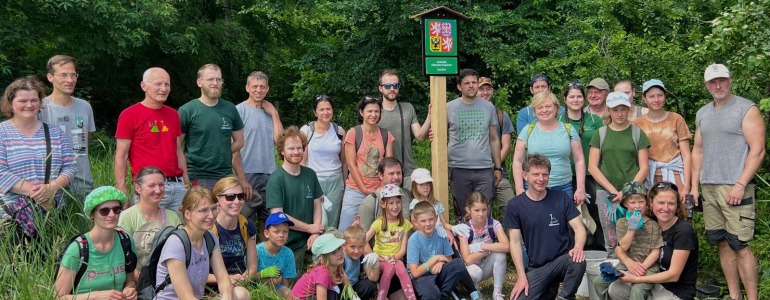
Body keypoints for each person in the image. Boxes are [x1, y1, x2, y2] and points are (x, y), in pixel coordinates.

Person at [691, 64, 765, 300]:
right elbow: (697, 151)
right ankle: (735, 296)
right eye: (713, 82)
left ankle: (752, 298)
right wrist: (694, 186)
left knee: (740, 244)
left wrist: (741, 183)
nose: (718, 85)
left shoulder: (746, 108)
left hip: (735, 187)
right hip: (709, 187)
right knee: (721, 242)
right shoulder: (702, 113)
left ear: (730, 80)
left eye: (722, 80)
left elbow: (758, 150)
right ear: (706, 85)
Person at [504, 153, 587, 300]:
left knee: (577, 259)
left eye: (545, 174)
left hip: (562, 262)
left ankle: (565, 297)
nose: (541, 179)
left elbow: (579, 228)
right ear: (525, 175)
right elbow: (515, 243)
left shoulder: (561, 198)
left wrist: (578, 246)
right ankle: (549, 290)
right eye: (536, 174)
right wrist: (521, 277)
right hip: (537, 268)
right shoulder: (515, 205)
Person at [0, 76, 75, 228]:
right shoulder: (2, 133)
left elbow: (70, 167)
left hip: (53, 212)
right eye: (22, 101)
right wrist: (36, 193)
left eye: (34, 100)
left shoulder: (55, 133)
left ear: (40, 102)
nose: (29, 105)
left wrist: (51, 188)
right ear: (10, 103)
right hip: (14, 216)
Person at [154, 185, 247, 300]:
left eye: (213, 208)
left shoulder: (210, 238)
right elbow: (186, 297)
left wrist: (226, 297)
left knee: (241, 294)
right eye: (203, 210)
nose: (211, 215)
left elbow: (223, 278)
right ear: (187, 214)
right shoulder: (176, 243)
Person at [115, 67, 189, 212]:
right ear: (144, 86)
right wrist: (121, 190)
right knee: (149, 231)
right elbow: (121, 156)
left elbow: (178, 150)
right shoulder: (129, 115)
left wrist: (186, 182)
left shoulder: (173, 114)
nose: (163, 88)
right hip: (149, 187)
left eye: (167, 84)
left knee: (178, 230)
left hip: (177, 186)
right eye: (158, 84)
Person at [588, 91, 650, 255]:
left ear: (628, 109)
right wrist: (613, 190)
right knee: (611, 237)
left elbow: (644, 167)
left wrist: (626, 190)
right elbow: (592, 167)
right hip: (606, 194)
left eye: (623, 109)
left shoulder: (637, 133)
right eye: (615, 110)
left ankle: (637, 270)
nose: (620, 114)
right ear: (608, 110)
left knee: (634, 231)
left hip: (633, 194)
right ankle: (612, 273)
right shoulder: (600, 134)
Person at [613, 182, 699, 300]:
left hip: (675, 291)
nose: (666, 208)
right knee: (615, 289)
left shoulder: (683, 231)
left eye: (671, 203)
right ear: (651, 204)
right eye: (661, 203)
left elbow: (674, 275)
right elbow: (619, 248)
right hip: (652, 280)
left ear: (677, 205)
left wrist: (636, 279)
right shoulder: (649, 221)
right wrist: (629, 262)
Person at [55, 186, 137, 299]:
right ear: (92, 214)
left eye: (116, 209)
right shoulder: (78, 249)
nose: (112, 214)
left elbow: (130, 280)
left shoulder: (126, 241)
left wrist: (129, 289)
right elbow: (58, 296)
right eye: (104, 211)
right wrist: (94, 296)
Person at [267, 126, 325, 274]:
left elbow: (317, 203)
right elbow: (278, 215)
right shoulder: (276, 179)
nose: (296, 152)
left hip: (311, 236)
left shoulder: (310, 174)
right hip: (289, 241)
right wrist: (308, 228)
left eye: (299, 148)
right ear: (282, 151)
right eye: (291, 148)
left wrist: (315, 231)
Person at [512, 91, 587, 206]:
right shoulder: (527, 130)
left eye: (548, 106)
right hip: (533, 188)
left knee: (564, 222)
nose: (544, 110)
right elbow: (517, 161)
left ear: (556, 108)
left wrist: (580, 188)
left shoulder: (568, 129)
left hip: (563, 187)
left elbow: (579, 159)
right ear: (535, 111)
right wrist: (519, 188)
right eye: (540, 107)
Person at [446, 68, 502, 220]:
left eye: (474, 82)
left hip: (484, 168)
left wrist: (497, 167)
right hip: (458, 168)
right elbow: (439, 138)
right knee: (463, 213)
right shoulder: (449, 107)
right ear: (459, 87)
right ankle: (464, 244)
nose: (471, 86)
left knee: (483, 213)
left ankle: (484, 243)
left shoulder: (488, 107)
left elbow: (494, 139)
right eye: (467, 83)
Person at [179, 64, 245, 190]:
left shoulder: (230, 109)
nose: (215, 83)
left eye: (218, 79)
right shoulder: (187, 110)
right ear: (199, 82)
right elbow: (176, 146)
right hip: (196, 176)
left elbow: (240, 141)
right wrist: (185, 178)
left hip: (225, 176)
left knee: (228, 209)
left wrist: (220, 153)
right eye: (210, 79)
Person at [593, 182, 663, 300]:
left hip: (648, 267)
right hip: (626, 265)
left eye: (641, 202)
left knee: (637, 291)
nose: (637, 206)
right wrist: (631, 229)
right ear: (625, 203)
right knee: (598, 281)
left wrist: (641, 268)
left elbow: (655, 252)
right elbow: (623, 247)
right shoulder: (621, 223)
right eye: (632, 202)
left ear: (647, 203)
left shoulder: (653, 225)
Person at [557, 82, 605, 249]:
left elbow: (603, 145)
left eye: (579, 96)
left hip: (592, 174)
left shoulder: (595, 120)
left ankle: (599, 250)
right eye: (572, 96)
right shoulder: (558, 120)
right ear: (565, 99)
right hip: (566, 175)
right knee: (569, 216)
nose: (575, 100)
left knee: (596, 213)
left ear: (584, 99)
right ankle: (571, 251)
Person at [40, 55, 95, 197]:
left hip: (83, 184)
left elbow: (87, 140)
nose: (70, 80)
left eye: (73, 75)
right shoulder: (40, 108)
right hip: (51, 186)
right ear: (50, 77)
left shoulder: (85, 107)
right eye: (63, 75)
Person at [233, 71, 283, 226]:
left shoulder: (270, 112)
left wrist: (275, 114)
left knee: (268, 221)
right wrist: (241, 179)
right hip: (247, 173)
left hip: (270, 173)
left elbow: (281, 142)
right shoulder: (238, 111)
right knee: (244, 221)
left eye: (262, 87)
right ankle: (246, 251)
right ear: (247, 88)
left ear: (267, 89)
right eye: (254, 86)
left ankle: (264, 251)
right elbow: (233, 149)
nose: (258, 90)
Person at [337, 96, 394, 232]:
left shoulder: (386, 135)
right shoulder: (354, 133)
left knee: (375, 230)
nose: (373, 115)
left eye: (376, 111)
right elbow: (351, 164)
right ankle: (343, 254)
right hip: (355, 189)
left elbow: (389, 165)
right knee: (345, 230)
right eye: (369, 111)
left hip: (379, 190)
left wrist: (381, 188)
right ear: (362, 113)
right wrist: (363, 188)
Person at [632, 79, 691, 197]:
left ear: (665, 96)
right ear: (644, 98)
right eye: (652, 96)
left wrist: (687, 186)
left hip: (675, 174)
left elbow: (686, 155)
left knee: (676, 211)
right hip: (649, 177)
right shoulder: (637, 124)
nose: (656, 100)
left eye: (660, 95)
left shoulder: (676, 119)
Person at [118, 166, 182, 269]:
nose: (158, 190)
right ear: (138, 188)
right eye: (151, 185)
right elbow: (122, 255)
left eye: (161, 185)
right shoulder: (126, 217)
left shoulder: (173, 217)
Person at [377, 69, 430, 187]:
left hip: (407, 172)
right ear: (380, 88)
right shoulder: (374, 112)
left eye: (395, 85)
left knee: (410, 205)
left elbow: (420, 136)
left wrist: (430, 114)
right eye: (388, 86)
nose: (392, 89)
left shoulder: (407, 108)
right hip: (383, 174)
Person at [300, 95, 346, 229]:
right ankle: (315, 249)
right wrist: (308, 183)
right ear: (315, 112)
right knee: (319, 221)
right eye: (321, 109)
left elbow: (344, 161)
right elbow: (302, 162)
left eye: (328, 109)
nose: (325, 112)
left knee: (332, 222)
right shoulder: (307, 131)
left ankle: (331, 249)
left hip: (335, 181)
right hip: (315, 180)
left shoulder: (339, 131)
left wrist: (344, 184)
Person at [364, 184, 416, 300]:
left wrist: (394, 257)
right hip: (380, 260)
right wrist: (377, 257)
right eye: (391, 203)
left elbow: (403, 248)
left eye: (398, 202)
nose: (395, 206)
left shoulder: (405, 224)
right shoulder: (378, 223)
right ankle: (381, 297)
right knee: (390, 268)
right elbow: (364, 240)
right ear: (383, 204)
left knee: (399, 265)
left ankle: (411, 297)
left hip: (395, 259)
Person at [207, 176, 258, 294]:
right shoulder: (208, 228)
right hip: (213, 285)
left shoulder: (247, 225)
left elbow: (252, 267)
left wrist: (243, 279)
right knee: (240, 294)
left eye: (241, 196)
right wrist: (228, 280)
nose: (237, 201)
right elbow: (197, 273)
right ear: (217, 200)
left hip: (242, 281)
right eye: (230, 197)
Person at [457, 192, 509, 300]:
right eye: (476, 210)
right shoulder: (464, 228)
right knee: (475, 272)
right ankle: (474, 290)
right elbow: (467, 260)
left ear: (488, 208)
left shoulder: (493, 224)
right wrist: (488, 249)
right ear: (468, 210)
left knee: (500, 254)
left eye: (484, 210)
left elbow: (507, 246)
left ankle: (497, 293)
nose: (481, 214)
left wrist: (482, 246)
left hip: (486, 267)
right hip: (471, 270)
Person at [478, 77, 516, 210]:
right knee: (480, 211)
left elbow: (506, 145)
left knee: (511, 206)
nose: (485, 92)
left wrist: (496, 167)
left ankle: (510, 231)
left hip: (499, 172)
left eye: (488, 89)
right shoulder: (470, 114)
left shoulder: (501, 115)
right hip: (477, 172)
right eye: (481, 89)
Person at [356, 157, 410, 232]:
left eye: (398, 173)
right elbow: (363, 239)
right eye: (391, 173)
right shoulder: (370, 202)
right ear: (380, 175)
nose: (396, 177)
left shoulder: (408, 196)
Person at [290, 233, 349, 300]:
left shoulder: (337, 265)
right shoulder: (323, 273)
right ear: (324, 258)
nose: (339, 253)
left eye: (339, 248)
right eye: (333, 252)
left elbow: (347, 286)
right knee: (332, 294)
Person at [408, 168, 456, 247]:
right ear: (414, 186)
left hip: (442, 235)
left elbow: (444, 224)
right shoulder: (415, 204)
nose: (425, 187)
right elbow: (415, 226)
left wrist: (455, 229)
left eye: (428, 183)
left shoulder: (436, 203)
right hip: (427, 237)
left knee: (456, 241)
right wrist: (435, 232)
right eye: (421, 184)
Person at [257, 212, 298, 298]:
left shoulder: (288, 253)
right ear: (266, 233)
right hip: (256, 287)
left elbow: (286, 283)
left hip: (277, 288)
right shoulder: (257, 250)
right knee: (276, 279)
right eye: (276, 231)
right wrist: (263, 273)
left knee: (290, 295)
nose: (281, 235)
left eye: (285, 232)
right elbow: (248, 276)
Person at [343, 225, 379, 300]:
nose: (356, 251)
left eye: (360, 247)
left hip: (354, 287)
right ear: (344, 246)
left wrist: (376, 264)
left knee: (369, 285)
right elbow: (342, 277)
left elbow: (373, 278)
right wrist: (352, 295)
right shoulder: (342, 258)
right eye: (352, 246)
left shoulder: (361, 257)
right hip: (342, 287)